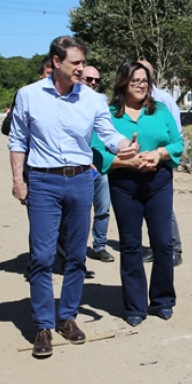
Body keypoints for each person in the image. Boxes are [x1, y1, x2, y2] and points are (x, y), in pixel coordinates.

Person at [8, 36, 138, 358]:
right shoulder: (28, 95)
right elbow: (17, 139)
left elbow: (108, 134)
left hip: (81, 180)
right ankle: (42, 325)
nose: (81, 69)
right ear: (55, 62)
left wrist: (124, 145)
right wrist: (17, 179)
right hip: (43, 181)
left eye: (83, 63)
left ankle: (67, 317)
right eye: (75, 63)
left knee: (76, 255)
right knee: (41, 256)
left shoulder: (92, 99)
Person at [92, 60, 183, 327]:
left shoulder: (160, 110)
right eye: (135, 81)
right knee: (130, 245)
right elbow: (97, 151)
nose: (141, 85)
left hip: (159, 182)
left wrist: (159, 153)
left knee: (163, 243)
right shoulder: (108, 114)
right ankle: (134, 305)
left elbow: (177, 142)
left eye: (145, 81)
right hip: (124, 185)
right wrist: (126, 162)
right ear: (123, 83)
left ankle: (163, 300)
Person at [139, 60, 184, 267]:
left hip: (161, 163)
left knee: (165, 210)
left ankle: (174, 249)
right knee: (146, 209)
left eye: (144, 75)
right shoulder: (129, 101)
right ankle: (155, 248)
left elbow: (176, 132)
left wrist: (166, 156)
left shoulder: (164, 99)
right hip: (136, 165)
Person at [81, 65, 116, 264]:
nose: (93, 83)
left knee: (103, 208)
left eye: (96, 80)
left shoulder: (102, 103)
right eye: (88, 79)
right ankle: (74, 250)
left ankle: (100, 246)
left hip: (101, 167)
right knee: (79, 212)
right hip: (79, 168)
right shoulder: (71, 102)